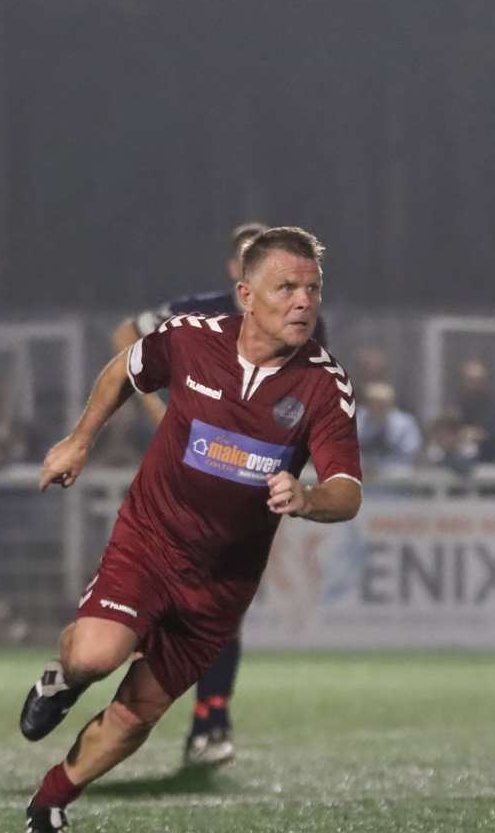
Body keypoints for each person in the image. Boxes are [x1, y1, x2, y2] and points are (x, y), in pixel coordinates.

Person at [18, 226, 362, 833]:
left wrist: (309, 498)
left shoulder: (323, 383)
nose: (303, 301)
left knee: (134, 716)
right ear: (245, 294)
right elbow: (126, 365)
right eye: (286, 287)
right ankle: (60, 680)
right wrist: (80, 439)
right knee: (94, 657)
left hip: (222, 582)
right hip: (151, 541)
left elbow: (347, 487)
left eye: (312, 288)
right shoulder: (190, 338)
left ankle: (50, 801)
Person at [109, 221, 332, 768]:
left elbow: (309, 395)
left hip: (243, 483)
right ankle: (99, 690)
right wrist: (159, 411)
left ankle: (210, 721)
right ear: (239, 274)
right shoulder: (202, 313)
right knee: (161, 600)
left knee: (220, 606)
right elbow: (125, 336)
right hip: (179, 478)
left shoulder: (303, 322)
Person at [357, 382, 424, 473]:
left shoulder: (405, 424)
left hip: (395, 474)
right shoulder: (356, 422)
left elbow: (410, 451)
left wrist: (381, 467)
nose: (377, 407)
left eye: (382, 404)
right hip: (363, 474)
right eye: (373, 403)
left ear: (390, 404)